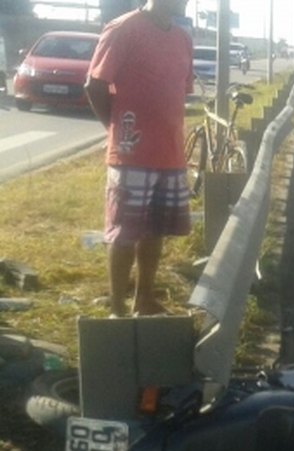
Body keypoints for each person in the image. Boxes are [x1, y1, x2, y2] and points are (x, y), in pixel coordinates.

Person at [85, 0, 194, 317]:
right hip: (131, 154)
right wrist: (116, 130)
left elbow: (178, 91)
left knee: (155, 229)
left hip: (170, 153)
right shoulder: (124, 29)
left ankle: (143, 298)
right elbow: (95, 85)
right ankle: (118, 308)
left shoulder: (181, 37)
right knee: (124, 233)